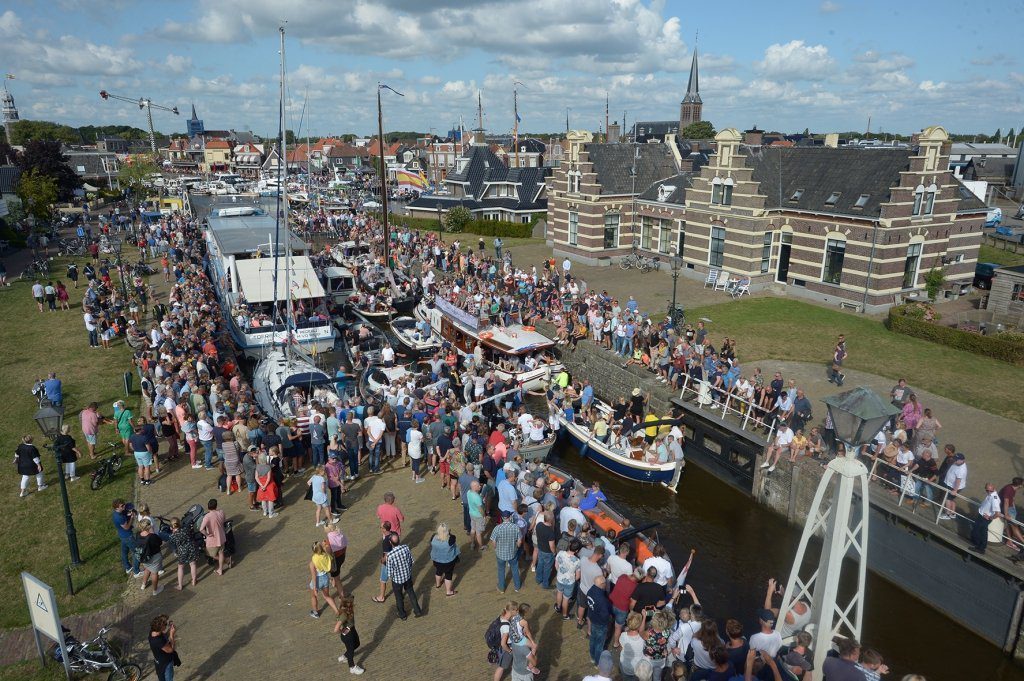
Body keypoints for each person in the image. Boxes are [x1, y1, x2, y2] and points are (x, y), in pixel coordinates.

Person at [385, 532, 422, 619]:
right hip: (407, 576)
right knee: (411, 593)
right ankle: (417, 611)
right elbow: (411, 561)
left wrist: (394, 576)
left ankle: (402, 615)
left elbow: (389, 573)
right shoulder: (406, 548)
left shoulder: (390, 555)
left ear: (390, 543)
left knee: (399, 598)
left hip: (397, 581)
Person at [491, 510, 524, 593]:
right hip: (512, 553)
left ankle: (501, 588)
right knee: (515, 569)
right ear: (510, 517)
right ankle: (517, 586)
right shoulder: (516, 527)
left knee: (501, 570)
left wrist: (496, 549)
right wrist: (517, 547)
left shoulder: (497, 528)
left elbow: (493, 542)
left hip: (500, 554)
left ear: (502, 518)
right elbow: (520, 541)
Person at [587, 574, 613, 665]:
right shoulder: (602, 600)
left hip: (593, 619)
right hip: (601, 624)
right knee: (599, 644)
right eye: (605, 583)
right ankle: (597, 662)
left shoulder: (591, 590)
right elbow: (605, 615)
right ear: (602, 585)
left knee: (593, 640)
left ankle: (592, 656)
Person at [334, 595, 364, 674]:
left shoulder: (348, 608)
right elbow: (336, 629)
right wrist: (342, 631)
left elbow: (340, 599)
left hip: (352, 630)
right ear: (347, 603)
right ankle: (352, 667)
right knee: (351, 651)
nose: (353, 603)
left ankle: (345, 656)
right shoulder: (344, 614)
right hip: (348, 634)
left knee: (357, 644)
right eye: (352, 601)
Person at [167, 517, 199, 590]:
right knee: (193, 564)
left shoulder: (173, 536)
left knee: (181, 567)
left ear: (171, 527)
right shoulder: (185, 529)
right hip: (191, 548)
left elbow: (172, 543)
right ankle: (194, 580)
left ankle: (180, 585)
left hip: (182, 551)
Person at [970, 483, 1002, 554]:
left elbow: (998, 513)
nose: (988, 492)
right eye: (987, 490)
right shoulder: (991, 495)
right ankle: (979, 547)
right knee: (981, 532)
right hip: (982, 516)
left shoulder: (994, 498)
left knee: (980, 532)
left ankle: (980, 548)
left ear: (993, 489)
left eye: (990, 491)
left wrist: (990, 517)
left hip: (985, 518)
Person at [554, 538, 582, 620]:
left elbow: (556, 566)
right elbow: (578, 576)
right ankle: (565, 615)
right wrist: (572, 580)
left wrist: (560, 573)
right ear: (576, 550)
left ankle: (558, 607)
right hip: (570, 582)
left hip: (559, 578)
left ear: (569, 545)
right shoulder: (577, 561)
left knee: (559, 593)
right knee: (566, 599)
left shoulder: (560, 553)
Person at [430, 521, 460, 596]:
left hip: (436, 560)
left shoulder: (433, 537)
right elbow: (452, 536)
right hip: (448, 561)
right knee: (448, 575)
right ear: (448, 531)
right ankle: (448, 592)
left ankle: (438, 584)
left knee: (438, 571)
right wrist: (448, 533)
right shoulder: (451, 539)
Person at [199, 498, 227, 575]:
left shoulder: (207, 516)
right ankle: (220, 569)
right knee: (221, 552)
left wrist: (207, 535)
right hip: (221, 536)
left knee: (209, 553)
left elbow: (201, 529)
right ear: (216, 506)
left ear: (208, 507)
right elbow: (224, 521)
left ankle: (227, 561)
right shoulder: (221, 512)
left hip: (212, 539)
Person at [136, 519, 165, 596]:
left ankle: (143, 584)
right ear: (149, 526)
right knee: (154, 573)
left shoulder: (138, 534)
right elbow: (160, 542)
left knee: (147, 569)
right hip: (154, 558)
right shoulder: (152, 536)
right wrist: (152, 533)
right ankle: (155, 590)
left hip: (144, 558)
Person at [112, 499, 140, 577]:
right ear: (117, 508)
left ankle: (128, 567)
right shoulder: (119, 517)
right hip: (128, 536)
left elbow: (128, 508)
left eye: (124, 504)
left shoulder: (116, 513)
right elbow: (127, 527)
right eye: (122, 506)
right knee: (137, 552)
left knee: (124, 552)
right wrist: (131, 517)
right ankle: (136, 571)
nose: (124, 506)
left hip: (122, 536)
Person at [148, 615, 178, 681]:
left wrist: (169, 630)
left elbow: (164, 636)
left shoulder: (153, 632)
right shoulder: (157, 641)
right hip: (165, 664)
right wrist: (172, 635)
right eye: (166, 624)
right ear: (161, 627)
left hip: (159, 662)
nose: (167, 625)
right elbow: (171, 650)